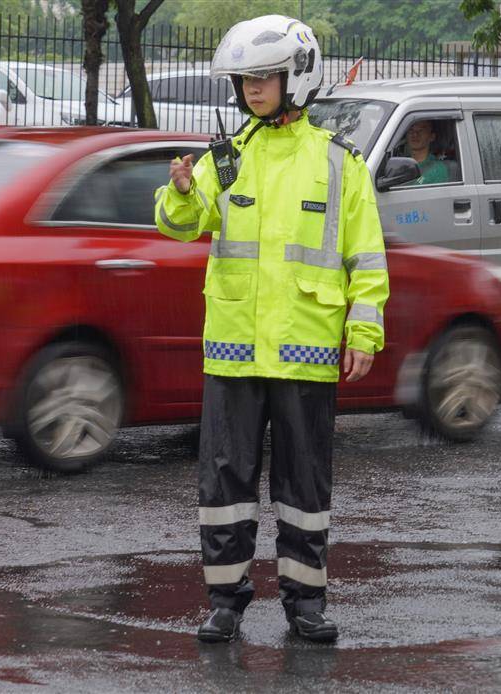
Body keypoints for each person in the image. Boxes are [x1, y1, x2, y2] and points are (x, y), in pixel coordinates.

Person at [153, 14, 389, 644]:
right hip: (233, 352)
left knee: (303, 485)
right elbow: (182, 224)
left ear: (297, 78)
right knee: (223, 482)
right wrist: (179, 192)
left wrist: (364, 332)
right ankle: (225, 602)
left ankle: (305, 604)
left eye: (264, 78)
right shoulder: (227, 159)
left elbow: (366, 257)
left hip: (306, 354)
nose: (253, 90)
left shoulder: (339, 164)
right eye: (246, 81)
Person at [402, 119, 449, 185]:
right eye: (411, 130)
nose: (415, 134)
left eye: (421, 130)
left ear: (432, 137)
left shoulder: (437, 169)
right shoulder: (401, 164)